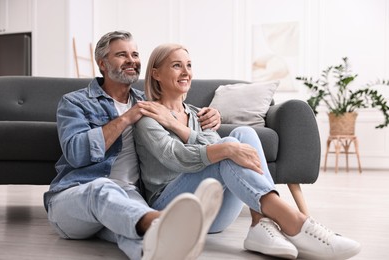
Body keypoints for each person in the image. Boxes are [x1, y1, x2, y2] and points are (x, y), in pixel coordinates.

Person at [133, 43, 362, 260]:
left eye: (189, 65)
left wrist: (176, 126)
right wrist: (218, 146)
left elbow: (214, 144)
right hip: (170, 210)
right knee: (226, 150)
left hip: (214, 214)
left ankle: (259, 224)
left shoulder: (198, 114)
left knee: (242, 135)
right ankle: (295, 221)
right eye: (176, 65)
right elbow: (177, 158)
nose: (186, 72)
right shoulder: (148, 115)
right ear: (156, 74)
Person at [43, 31, 224, 260]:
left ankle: (160, 250)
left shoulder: (146, 102)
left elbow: (183, 112)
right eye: (121, 54)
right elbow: (76, 153)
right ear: (103, 63)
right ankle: (164, 222)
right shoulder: (75, 102)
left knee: (132, 232)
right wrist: (126, 118)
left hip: (129, 198)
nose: (132, 60)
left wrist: (211, 115)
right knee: (103, 189)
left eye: (135, 54)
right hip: (76, 196)